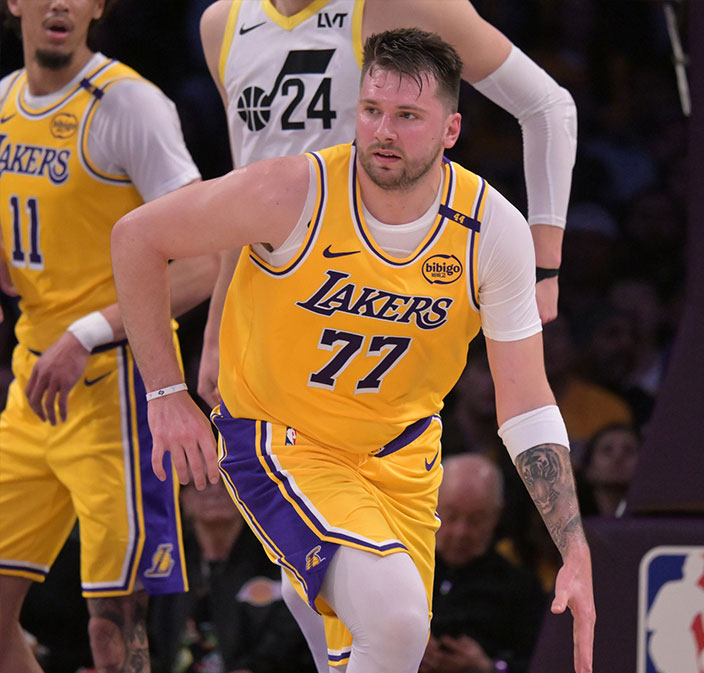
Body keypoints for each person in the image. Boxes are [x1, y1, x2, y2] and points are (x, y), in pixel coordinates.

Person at [109, 28, 594, 673]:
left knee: (380, 648)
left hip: (401, 456)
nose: (384, 131)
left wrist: (575, 547)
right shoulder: (291, 192)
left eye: (407, 116)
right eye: (372, 111)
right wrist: (165, 394)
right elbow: (137, 237)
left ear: (451, 130)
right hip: (280, 437)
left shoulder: (492, 229)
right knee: (395, 625)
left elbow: (526, 400)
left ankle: (309, 585)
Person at [195, 0, 576, 406]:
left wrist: (544, 266)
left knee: (384, 451)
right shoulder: (221, 23)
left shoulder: (397, 5)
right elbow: (246, 187)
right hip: (268, 297)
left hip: (374, 289)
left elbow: (547, 107)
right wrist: (216, 326)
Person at [0, 0, 217, 671]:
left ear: (98, 7)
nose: (60, 3)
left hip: (115, 390)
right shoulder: (3, 101)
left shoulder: (130, 107)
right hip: (32, 382)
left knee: (113, 633)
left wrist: (87, 332)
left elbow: (205, 260)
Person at [149, 484, 317, 673]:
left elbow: (296, 634)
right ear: (182, 497)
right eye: (199, 482)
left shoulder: (281, 560)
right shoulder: (164, 565)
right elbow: (151, 640)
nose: (214, 491)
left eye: (224, 481)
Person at [423, 454, 547, 673]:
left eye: (476, 520)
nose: (461, 532)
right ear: (432, 506)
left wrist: (489, 667)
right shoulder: (403, 572)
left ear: (496, 516)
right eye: (451, 516)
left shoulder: (521, 589)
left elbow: (541, 663)